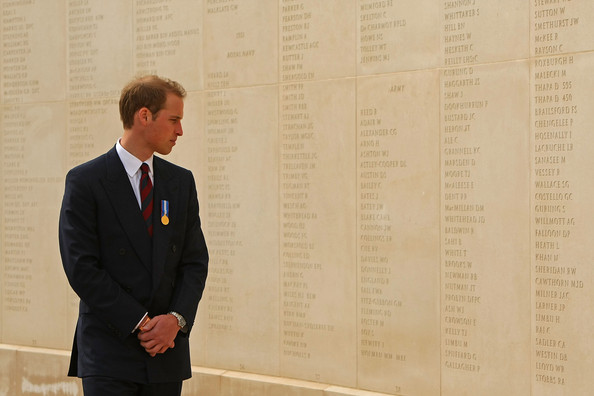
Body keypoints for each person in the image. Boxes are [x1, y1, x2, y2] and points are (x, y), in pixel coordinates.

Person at [59, 75, 209, 396]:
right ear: (144, 116)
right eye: (174, 120)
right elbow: (81, 267)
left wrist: (175, 321)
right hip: (110, 350)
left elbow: (194, 261)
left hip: (166, 350)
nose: (180, 131)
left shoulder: (181, 182)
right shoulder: (86, 181)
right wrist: (141, 322)